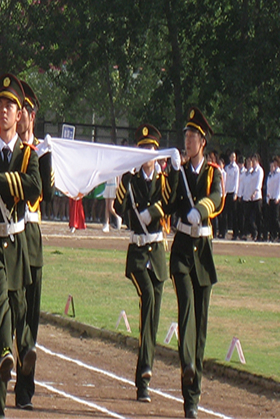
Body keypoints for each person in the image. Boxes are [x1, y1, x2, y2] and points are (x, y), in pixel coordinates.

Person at [0, 74, 41, 418]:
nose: (3, 110)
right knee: (0, 299)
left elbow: (34, 187)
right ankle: (7, 351)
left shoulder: (28, 154)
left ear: (19, 114)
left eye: (10, 106)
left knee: (17, 310)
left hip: (17, 243)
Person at [165, 107, 223, 419]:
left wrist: (200, 209)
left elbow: (217, 198)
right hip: (182, 252)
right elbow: (169, 202)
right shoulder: (181, 170)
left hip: (204, 254)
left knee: (200, 328)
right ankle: (187, 365)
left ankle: (193, 398)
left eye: (192, 137)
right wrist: (172, 173)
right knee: (186, 309)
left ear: (202, 142)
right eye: (185, 136)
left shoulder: (213, 172)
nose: (187, 141)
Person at [114, 123, 169, 403]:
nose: (147, 154)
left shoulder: (164, 180)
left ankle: (144, 376)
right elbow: (119, 209)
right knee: (147, 296)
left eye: (150, 149)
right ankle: (145, 372)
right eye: (143, 149)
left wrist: (153, 212)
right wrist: (124, 181)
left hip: (156, 253)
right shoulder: (131, 180)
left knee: (153, 316)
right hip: (137, 253)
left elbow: (170, 203)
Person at [13, 81, 53, 410]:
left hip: (32, 234)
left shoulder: (41, 151)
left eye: (25, 110)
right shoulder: (10, 150)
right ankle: (16, 364)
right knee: (16, 310)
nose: (21, 115)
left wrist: (46, 160)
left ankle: (25, 387)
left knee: (32, 314)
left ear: (32, 115)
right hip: (12, 234)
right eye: (19, 109)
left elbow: (47, 196)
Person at [265, 159, 280, 242]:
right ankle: (272, 236)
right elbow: (268, 187)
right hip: (271, 198)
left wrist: (278, 197)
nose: (271, 167)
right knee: (271, 218)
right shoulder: (270, 175)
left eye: (273, 166)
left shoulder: (279, 174)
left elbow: (279, 186)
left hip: (276, 198)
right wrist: (268, 198)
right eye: (270, 166)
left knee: (276, 218)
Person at [223, 151, 239, 239]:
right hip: (227, 192)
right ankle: (224, 231)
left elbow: (236, 181)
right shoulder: (227, 168)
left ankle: (235, 233)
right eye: (231, 157)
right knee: (225, 213)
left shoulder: (236, 168)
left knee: (234, 214)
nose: (232, 158)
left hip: (233, 192)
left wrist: (235, 193)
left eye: (234, 157)